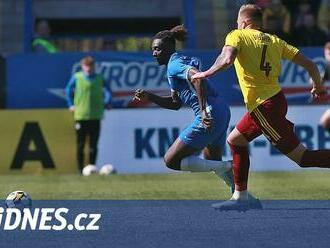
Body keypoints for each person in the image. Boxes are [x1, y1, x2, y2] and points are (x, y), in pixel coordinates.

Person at [192, 4, 329, 211]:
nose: (236, 25)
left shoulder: (237, 35)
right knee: (236, 140)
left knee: (302, 158)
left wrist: (207, 73)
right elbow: (310, 64)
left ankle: (241, 197)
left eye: (238, 22)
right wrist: (318, 86)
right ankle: (241, 196)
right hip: (274, 101)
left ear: (245, 22)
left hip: (263, 107)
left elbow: (227, 58)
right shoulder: (275, 41)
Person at [133, 25, 235, 194]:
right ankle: (241, 194)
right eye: (153, 49)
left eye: (157, 49)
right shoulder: (176, 63)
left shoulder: (175, 65)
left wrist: (202, 111)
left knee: (171, 160)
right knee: (212, 160)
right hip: (221, 109)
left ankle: (231, 165)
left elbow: (198, 79)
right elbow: (175, 103)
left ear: (168, 49)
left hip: (210, 111)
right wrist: (150, 97)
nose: (154, 53)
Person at [65, 56, 112, 173]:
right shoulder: (77, 77)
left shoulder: (100, 78)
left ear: (93, 66)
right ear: (82, 67)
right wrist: (71, 104)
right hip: (80, 116)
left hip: (95, 116)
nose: (88, 68)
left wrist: (106, 102)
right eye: (86, 66)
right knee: (80, 145)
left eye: (90, 66)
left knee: (93, 145)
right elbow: (68, 91)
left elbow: (108, 91)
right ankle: (80, 170)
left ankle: (92, 168)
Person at [319, 42, 330, 131]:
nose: (327, 56)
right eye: (326, 54)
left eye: (328, 54)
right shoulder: (328, 66)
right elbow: (321, 79)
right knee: (325, 122)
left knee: (325, 121)